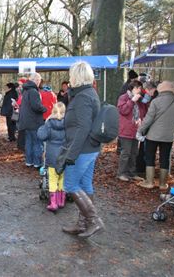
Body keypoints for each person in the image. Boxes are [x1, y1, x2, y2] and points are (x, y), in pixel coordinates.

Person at [58, 61, 103, 238]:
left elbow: (83, 127)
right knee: (85, 184)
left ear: (76, 76)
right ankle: (83, 224)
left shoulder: (83, 96)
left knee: (70, 184)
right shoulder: (88, 93)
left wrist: (71, 153)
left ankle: (94, 220)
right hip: (89, 148)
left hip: (82, 149)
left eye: (71, 74)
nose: (69, 78)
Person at [137, 81, 174, 190]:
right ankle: (163, 184)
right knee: (165, 158)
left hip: (153, 135)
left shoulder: (156, 101)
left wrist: (140, 130)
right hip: (168, 136)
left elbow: (148, 119)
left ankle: (149, 182)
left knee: (150, 157)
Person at [37, 102, 66, 212]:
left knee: (53, 179)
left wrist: (41, 128)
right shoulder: (68, 123)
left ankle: (53, 203)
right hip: (63, 155)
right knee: (62, 177)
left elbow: (41, 136)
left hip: (52, 155)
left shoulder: (49, 123)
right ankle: (61, 201)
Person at [116, 80, 147, 182]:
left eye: (140, 88)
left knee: (134, 153)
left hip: (135, 130)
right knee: (126, 153)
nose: (140, 90)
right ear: (132, 88)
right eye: (138, 88)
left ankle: (132, 173)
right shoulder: (123, 97)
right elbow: (123, 110)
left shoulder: (139, 99)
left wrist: (141, 119)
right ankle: (121, 173)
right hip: (125, 130)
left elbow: (144, 111)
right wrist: (132, 100)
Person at [17, 73, 47, 168]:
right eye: (38, 80)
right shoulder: (33, 91)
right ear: (36, 80)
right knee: (37, 142)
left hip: (26, 121)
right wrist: (44, 109)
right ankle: (37, 163)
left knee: (29, 142)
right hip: (34, 121)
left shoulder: (25, 90)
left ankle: (29, 161)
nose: (39, 83)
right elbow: (36, 106)